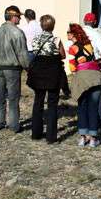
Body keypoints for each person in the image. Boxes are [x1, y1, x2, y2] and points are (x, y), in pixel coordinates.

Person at [0, 5, 29, 133]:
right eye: (18, 17)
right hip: (12, 69)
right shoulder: (17, 32)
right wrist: (27, 68)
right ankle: (14, 125)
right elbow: (22, 53)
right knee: (13, 98)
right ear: (12, 17)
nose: (20, 19)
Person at [30, 14, 65, 143]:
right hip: (52, 73)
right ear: (53, 26)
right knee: (52, 104)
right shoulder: (56, 40)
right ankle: (51, 136)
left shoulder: (36, 39)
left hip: (39, 72)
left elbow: (33, 52)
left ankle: (36, 133)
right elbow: (62, 55)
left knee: (38, 102)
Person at [68, 23, 101, 147]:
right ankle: (93, 138)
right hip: (95, 76)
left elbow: (72, 67)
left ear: (73, 34)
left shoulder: (73, 48)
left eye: (68, 32)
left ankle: (82, 137)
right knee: (93, 108)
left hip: (82, 78)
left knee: (82, 107)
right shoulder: (89, 45)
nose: (67, 34)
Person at [83, 12, 101, 123]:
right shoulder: (96, 35)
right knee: (97, 94)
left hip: (81, 67)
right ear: (95, 22)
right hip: (93, 66)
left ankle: (85, 118)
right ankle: (99, 118)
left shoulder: (78, 34)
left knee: (84, 94)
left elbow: (69, 47)